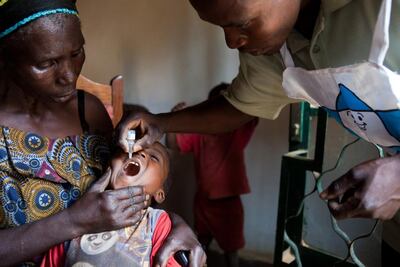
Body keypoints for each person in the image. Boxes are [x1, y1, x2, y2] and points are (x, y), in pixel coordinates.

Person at [117, 0, 400, 263]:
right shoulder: (272, 50)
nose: (231, 42)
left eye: (242, 23)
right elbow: (238, 105)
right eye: (221, 27)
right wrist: (162, 122)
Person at [0, 1, 205, 266]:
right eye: (47, 63)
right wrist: (73, 222)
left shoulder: (89, 111)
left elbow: (127, 190)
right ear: (4, 60)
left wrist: (174, 225)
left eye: (76, 52)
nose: (70, 75)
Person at [42, 142, 180, 267]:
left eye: (154, 157)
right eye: (130, 148)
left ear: (159, 193)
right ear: (109, 166)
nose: (139, 152)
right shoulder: (78, 222)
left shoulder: (157, 224)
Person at [166, 83, 258, 267]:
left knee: (231, 248)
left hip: (228, 201)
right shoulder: (200, 134)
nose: (220, 116)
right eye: (215, 108)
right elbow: (173, 144)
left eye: (225, 108)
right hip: (203, 200)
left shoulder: (236, 133)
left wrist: (245, 96)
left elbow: (252, 113)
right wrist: (172, 121)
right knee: (201, 243)